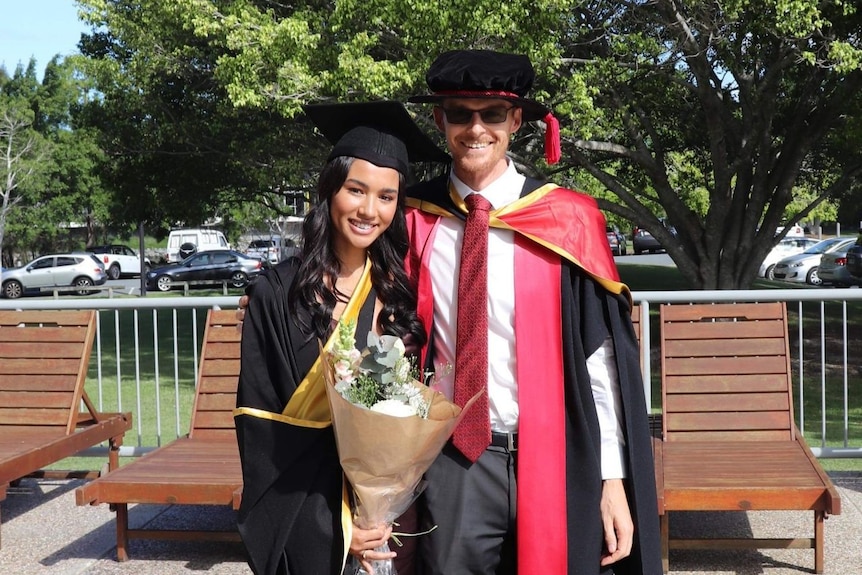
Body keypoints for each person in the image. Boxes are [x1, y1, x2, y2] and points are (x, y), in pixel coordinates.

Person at [403, 49, 662, 574]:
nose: (476, 128)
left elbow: (599, 365)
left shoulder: (566, 219)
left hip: (559, 454)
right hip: (454, 460)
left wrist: (612, 480)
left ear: (516, 121)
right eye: (460, 113)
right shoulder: (412, 218)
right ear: (440, 120)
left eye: (492, 114)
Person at [233, 100, 448, 575]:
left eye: (387, 196)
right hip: (312, 520)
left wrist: (379, 509)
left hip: (392, 519)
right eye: (356, 190)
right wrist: (341, 526)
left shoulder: (400, 294)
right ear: (330, 191)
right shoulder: (276, 294)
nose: (369, 210)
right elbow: (263, 433)